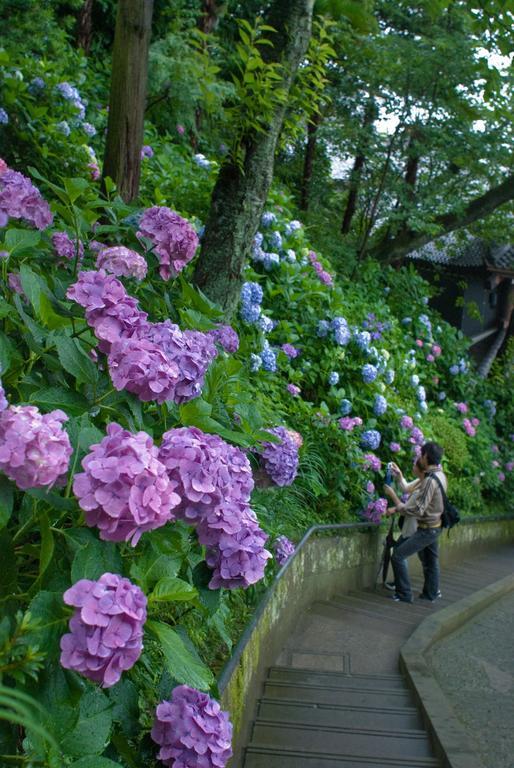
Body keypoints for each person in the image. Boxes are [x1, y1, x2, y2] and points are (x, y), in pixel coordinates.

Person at [383, 441, 447, 603]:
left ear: (425, 457)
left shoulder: (429, 481)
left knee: (398, 556)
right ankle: (430, 594)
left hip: (427, 529)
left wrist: (396, 501)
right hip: (436, 525)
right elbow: (409, 489)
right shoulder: (440, 475)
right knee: (430, 562)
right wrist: (400, 478)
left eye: (421, 455)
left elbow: (417, 510)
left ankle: (404, 594)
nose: (420, 457)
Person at [383, 458, 424, 590]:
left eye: (415, 465)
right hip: (413, 528)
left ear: (421, 470)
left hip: (415, 529)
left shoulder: (425, 486)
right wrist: (399, 475)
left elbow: (408, 510)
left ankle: (404, 590)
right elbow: (407, 488)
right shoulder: (421, 481)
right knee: (400, 553)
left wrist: (392, 495)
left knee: (399, 555)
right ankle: (401, 585)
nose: (413, 466)